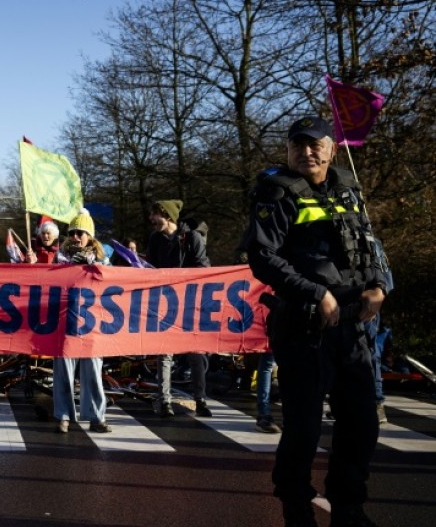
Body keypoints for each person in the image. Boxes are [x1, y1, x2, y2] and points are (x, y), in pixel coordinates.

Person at [246, 115, 387, 527]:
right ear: (287, 150)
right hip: (303, 328)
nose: (306, 152)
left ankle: (348, 507)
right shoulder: (277, 192)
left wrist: (378, 286)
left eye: (314, 145)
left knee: (361, 424)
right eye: (297, 145)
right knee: (304, 430)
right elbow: (262, 256)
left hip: (351, 326)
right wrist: (315, 293)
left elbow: (370, 245)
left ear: (331, 149)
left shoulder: (348, 190)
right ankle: (296, 509)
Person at [146, 199, 213, 419]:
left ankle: (200, 399)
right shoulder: (155, 240)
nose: (152, 220)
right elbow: (151, 269)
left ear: (168, 216)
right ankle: (164, 401)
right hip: (165, 306)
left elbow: (204, 267)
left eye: (155, 215)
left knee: (196, 354)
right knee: (164, 354)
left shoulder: (191, 238)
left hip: (190, 305)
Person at [51, 209, 112, 434]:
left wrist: (95, 267)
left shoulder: (104, 259)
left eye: (81, 233)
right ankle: (64, 415)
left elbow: (113, 282)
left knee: (93, 371)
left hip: (93, 324)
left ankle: (96, 416)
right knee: (63, 372)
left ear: (90, 236)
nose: (76, 237)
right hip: (65, 322)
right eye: (73, 232)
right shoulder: (60, 258)